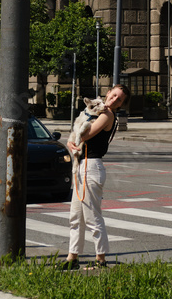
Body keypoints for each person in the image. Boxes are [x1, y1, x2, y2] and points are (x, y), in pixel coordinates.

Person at [61, 83, 130, 271]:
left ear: (120, 104)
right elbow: (77, 136)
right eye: (113, 95)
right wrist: (70, 141)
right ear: (108, 93)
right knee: (76, 216)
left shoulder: (107, 115)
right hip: (81, 165)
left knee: (92, 216)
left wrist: (73, 139)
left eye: (119, 99)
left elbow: (86, 134)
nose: (114, 99)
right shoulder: (97, 111)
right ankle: (72, 257)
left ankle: (101, 259)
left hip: (91, 167)